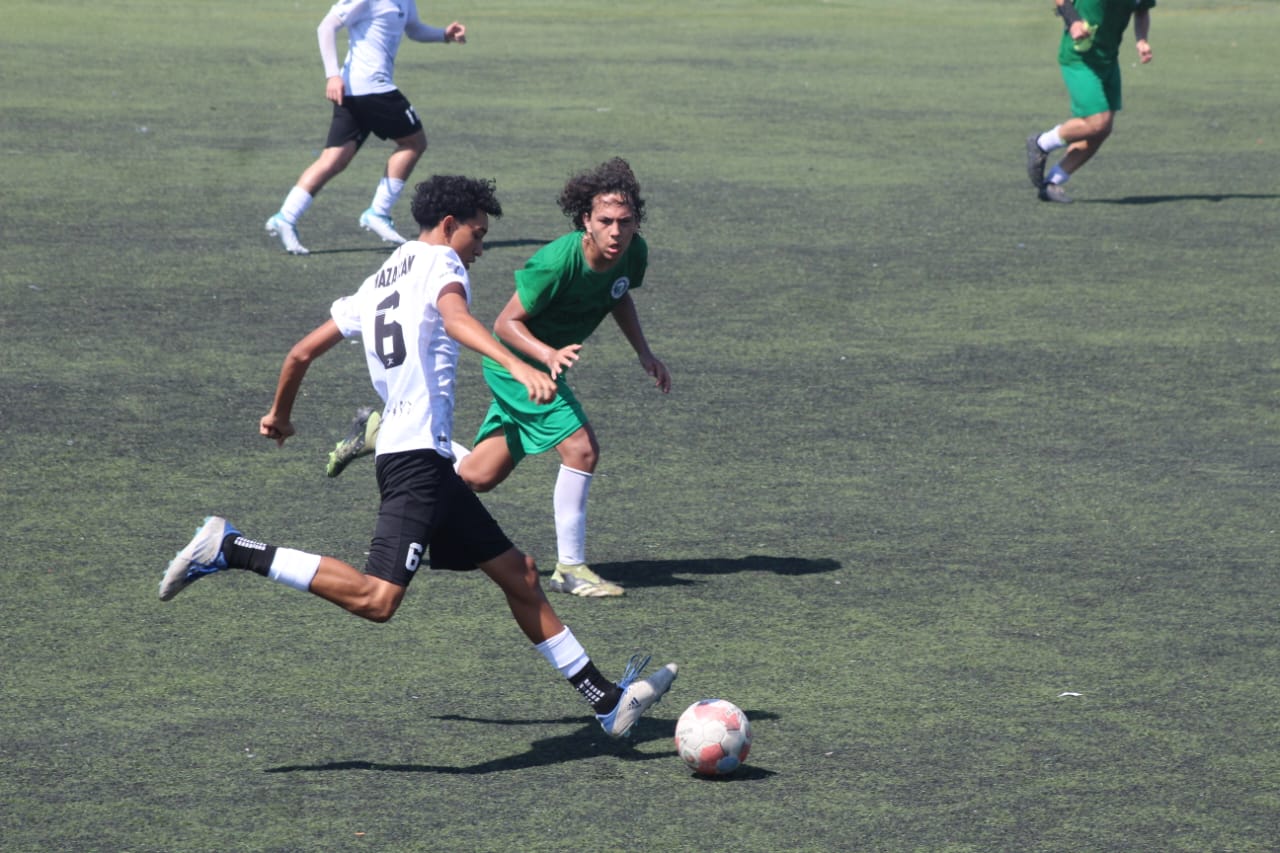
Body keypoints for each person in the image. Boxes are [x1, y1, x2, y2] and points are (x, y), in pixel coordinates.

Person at [163, 175, 677, 739]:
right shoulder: (441, 265)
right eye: (478, 235)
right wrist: (519, 365)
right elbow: (455, 320)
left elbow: (301, 351)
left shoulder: (380, 278)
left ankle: (606, 701)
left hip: (426, 460)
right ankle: (231, 547)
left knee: (521, 575)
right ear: (450, 226)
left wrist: (279, 415)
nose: (481, 249)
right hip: (413, 462)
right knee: (377, 599)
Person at [326, 158, 672, 599]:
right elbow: (506, 324)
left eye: (626, 222)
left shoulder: (632, 253)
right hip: (516, 363)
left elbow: (617, 294)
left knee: (478, 475)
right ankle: (570, 567)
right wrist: (543, 356)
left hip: (539, 368)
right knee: (581, 449)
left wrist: (644, 353)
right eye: (605, 221)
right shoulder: (556, 262)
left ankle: (380, 432)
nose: (616, 232)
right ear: (586, 220)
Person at [264, 0, 467, 255]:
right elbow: (326, 26)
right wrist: (332, 75)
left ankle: (285, 217)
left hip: (356, 91)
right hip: (372, 88)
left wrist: (443, 35)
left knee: (334, 159)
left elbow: (413, 29)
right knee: (414, 142)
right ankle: (378, 213)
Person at [1025, 0, 1155, 203]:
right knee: (1097, 122)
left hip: (1108, 60)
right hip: (1079, 59)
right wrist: (1074, 21)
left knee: (1101, 130)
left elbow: (1142, 11)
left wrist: (1142, 40)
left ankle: (1051, 183)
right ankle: (1041, 143)